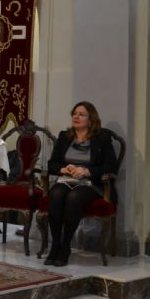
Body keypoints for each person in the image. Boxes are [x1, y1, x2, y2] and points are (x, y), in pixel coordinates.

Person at [44, 101, 117, 267]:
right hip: (67, 179)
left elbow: (111, 166)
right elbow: (52, 164)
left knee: (74, 197)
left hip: (90, 183)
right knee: (55, 194)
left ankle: (65, 247)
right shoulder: (64, 137)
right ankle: (55, 245)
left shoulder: (102, 139)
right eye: (74, 113)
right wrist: (64, 168)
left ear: (91, 120)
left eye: (81, 114)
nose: (76, 117)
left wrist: (87, 171)